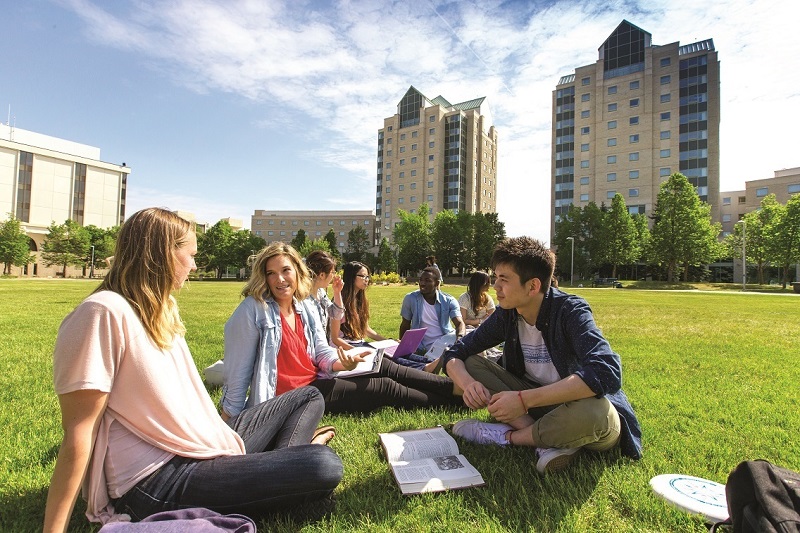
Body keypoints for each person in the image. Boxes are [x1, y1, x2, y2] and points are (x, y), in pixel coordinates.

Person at [44, 208, 342, 531]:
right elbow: (78, 432)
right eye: (191, 255)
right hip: (157, 480)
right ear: (163, 254)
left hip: (199, 445)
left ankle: (275, 466)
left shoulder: (161, 309)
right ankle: (285, 463)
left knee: (308, 396)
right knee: (324, 465)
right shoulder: (102, 313)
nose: (195, 265)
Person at [444, 236, 642, 474]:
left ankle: (510, 437)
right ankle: (550, 438)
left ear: (533, 286)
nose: (495, 286)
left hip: (575, 408)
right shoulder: (508, 314)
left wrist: (523, 400)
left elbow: (606, 372)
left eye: (504, 279)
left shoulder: (570, 310)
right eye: (496, 277)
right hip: (534, 406)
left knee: (597, 412)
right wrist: (468, 384)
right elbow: (456, 353)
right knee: (470, 363)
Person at [222, 243, 460, 417]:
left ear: (297, 271)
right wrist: (230, 415)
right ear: (263, 277)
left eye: (285, 270)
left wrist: (341, 364)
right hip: (298, 395)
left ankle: (458, 390)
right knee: (382, 387)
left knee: (383, 365)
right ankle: (458, 402)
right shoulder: (253, 310)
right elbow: (238, 371)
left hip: (319, 376)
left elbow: (321, 350)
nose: (280, 279)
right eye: (270, 273)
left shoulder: (303, 306)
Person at [398, 267, 466, 372]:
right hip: (422, 345)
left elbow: (460, 324)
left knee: (471, 333)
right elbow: (405, 324)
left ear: (437, 283)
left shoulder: (449, 301)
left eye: (427, 280)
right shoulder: (410, 298)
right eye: (421, 280)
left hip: (445, 340)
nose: (422, 283)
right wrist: (402, 346)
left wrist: (459, 339)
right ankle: (435, 363)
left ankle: (440, 360)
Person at [330, 261, 387, 349]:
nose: (366, 279)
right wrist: (357, 351)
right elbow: (335, 338)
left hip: (360, 343)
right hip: (346, 346)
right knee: (400, 362)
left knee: (400, 355)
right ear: (351, 277)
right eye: (363, 276)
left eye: (367, 276)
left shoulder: (360, 299)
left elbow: (365, 329)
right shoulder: (339, 300)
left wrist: (388, 341)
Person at [304, 250, 345, 344]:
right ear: (322, 275)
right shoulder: (304, 300)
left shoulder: (320, 293)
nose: (334, 276)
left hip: (322, 350)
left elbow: (336, 314)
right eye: (333, 272)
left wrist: (337, 292)